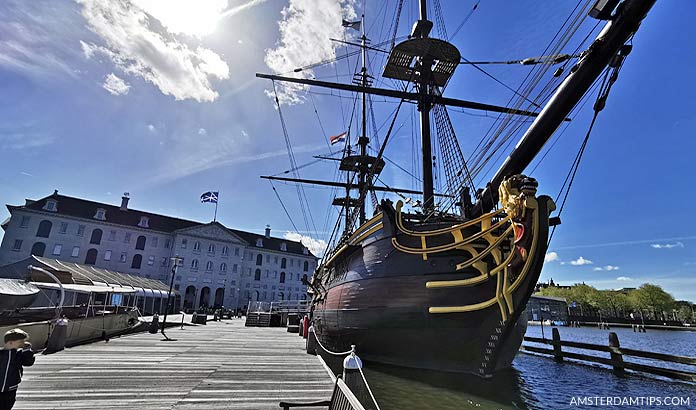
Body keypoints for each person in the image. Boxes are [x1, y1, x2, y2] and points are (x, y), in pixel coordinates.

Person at [1, 329, 35, 410]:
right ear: (10, 342)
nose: (22, 343)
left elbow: (28, 362)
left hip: (11, 388)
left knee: (8, 406)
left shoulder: (19, 354)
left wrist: (27, 350)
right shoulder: (1, 354)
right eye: (20, 341)